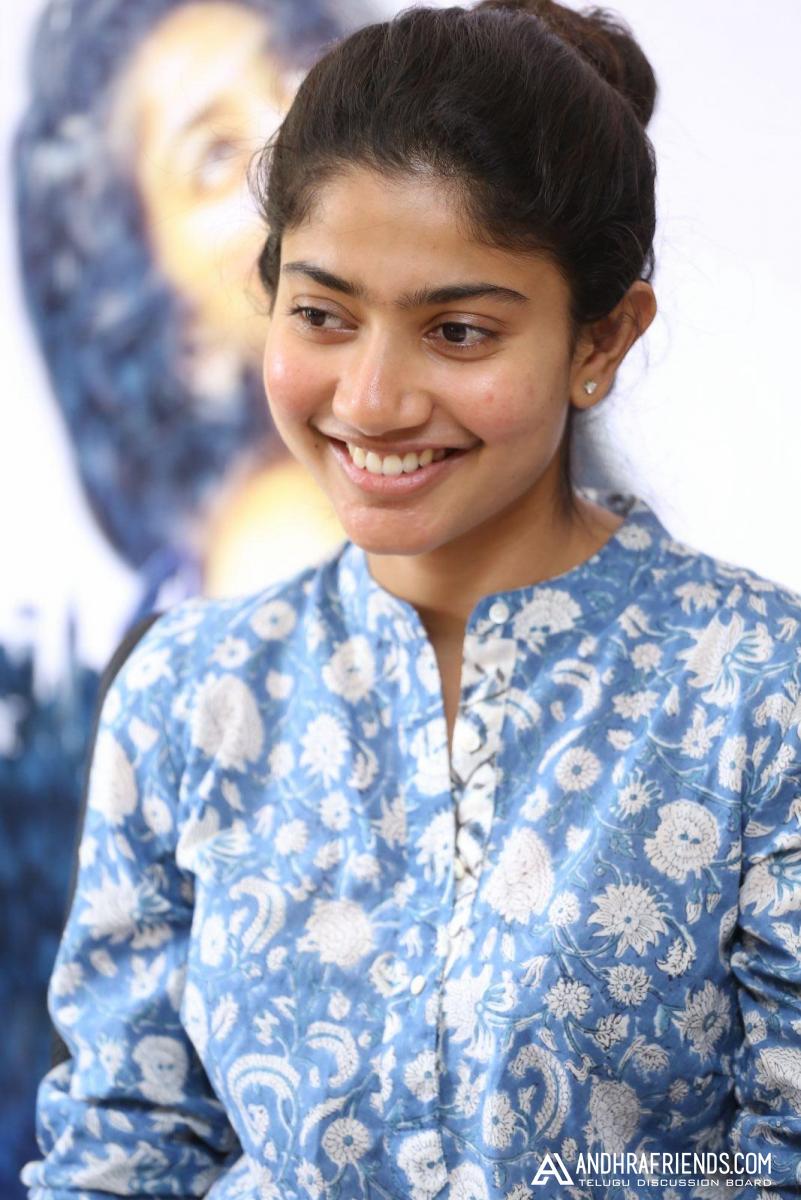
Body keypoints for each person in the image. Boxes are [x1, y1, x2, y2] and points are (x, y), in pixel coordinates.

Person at [23, 2, 801, 1197]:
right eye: (323, 315)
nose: (373, 399)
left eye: (460, 331)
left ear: (601, 340)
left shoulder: (759, 692)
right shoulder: (187, 695)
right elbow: (124, 1151)